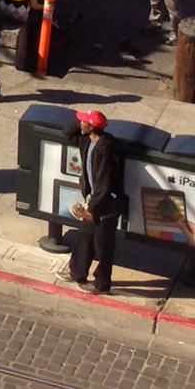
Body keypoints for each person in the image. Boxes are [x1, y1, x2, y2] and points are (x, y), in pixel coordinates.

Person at [63, 110, 126, 294]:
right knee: (85, 238)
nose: (80, 123)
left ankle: (102, 284)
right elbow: (67, 132)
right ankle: (77, 273)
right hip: (94, 202)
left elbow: (104, 183)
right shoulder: (87, 140)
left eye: (84, 122)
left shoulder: (105, 148)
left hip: (107, 205)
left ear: (92, 127)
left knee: (103, 245)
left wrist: (92, 208)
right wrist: (80, 122)